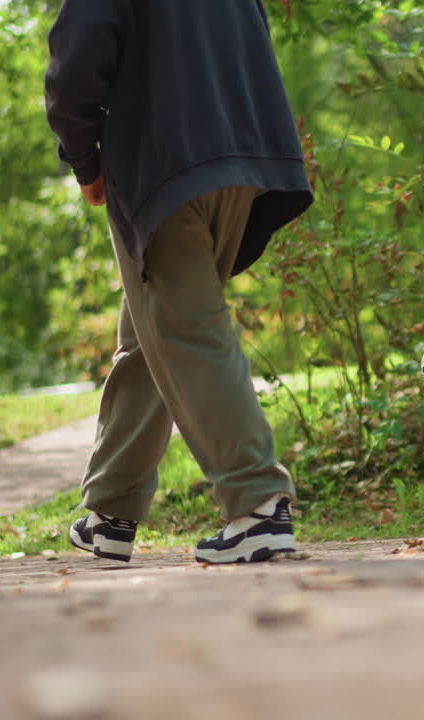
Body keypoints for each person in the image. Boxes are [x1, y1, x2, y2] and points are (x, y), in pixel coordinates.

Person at [44, 0, 313, 563]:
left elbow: (75, 65)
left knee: (188, 330)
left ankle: (258, 504)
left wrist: (84, 161)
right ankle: (111, 510)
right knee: (155, 328)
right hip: (243, 158)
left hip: (165, 164)